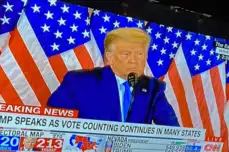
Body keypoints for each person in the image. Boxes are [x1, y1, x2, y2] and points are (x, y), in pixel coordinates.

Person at [47, 27, 179, 127]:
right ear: (110, 58)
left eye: (139, 54)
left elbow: (172, 131)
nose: (134, 61)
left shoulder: (153, 88)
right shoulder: (79, 82)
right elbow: (53, 125)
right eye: (126, 54)